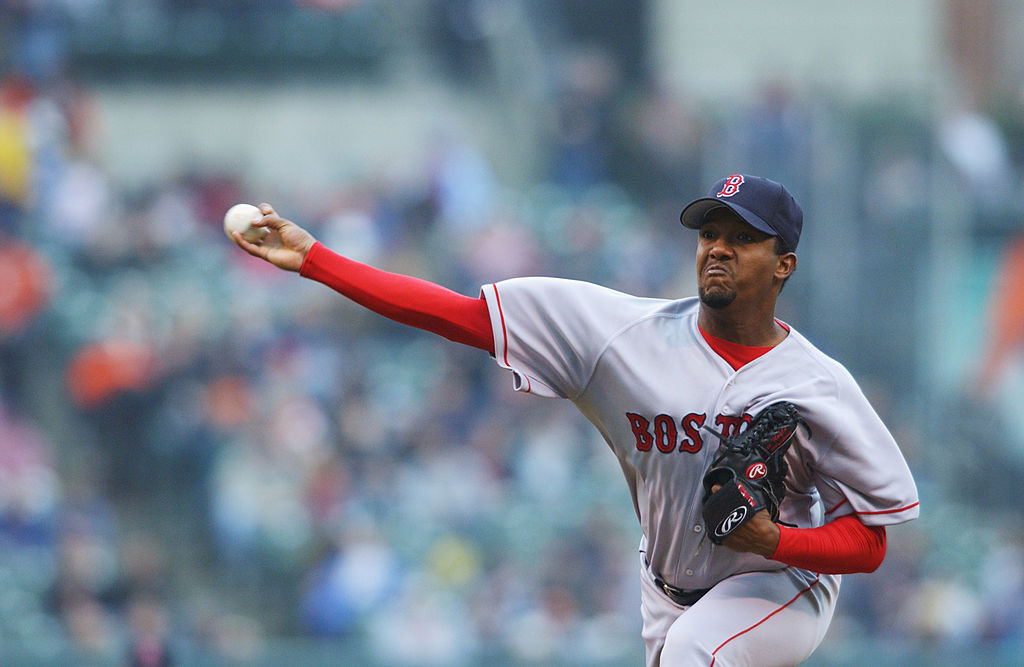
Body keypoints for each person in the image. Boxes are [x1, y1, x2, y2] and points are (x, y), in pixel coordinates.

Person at [229, 174, 919, 666]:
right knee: (688, 644)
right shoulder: (620, 334)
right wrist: (317, 262)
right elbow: (459, 315)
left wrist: (775, 540)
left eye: (744, 237)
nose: (718, 246)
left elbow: (873, 541)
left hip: (783, 584)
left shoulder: (818, 385)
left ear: (785, 264)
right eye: (710, 231)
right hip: (667, 586)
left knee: (697, 653)